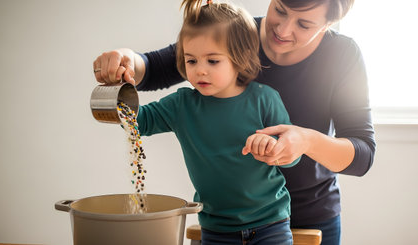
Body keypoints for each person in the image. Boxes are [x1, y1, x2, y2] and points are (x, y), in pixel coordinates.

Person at [93, 0, 376, 244]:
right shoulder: (233, 33)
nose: (283, 29)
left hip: (308, 215)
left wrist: (305, 141)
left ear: (329, 23)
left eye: (304, 24)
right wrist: (126, 61)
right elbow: (153, 67)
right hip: (221, 223)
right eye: (279, 9)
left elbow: (362, 154)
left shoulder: (341, 56)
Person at [105, 0, 301, 244]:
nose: (200, 71)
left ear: (239, 58)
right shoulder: (181, 106)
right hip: (216, 229)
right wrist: (117, 93)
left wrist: (273, 147)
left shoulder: (265, 99)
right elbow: (138, 122)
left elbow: (293, 156)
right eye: (191, 60)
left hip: (271, 223)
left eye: (212, 60)